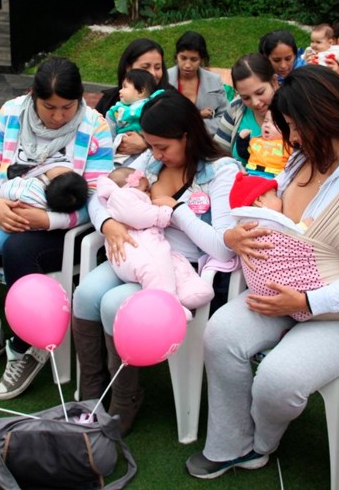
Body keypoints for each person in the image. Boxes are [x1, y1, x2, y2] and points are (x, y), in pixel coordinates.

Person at [185, 66, 339, 480]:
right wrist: (237, 236)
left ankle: (261, 443)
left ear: (324, 116)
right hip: (280, 291)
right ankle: (230, 443)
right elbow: (282, 223)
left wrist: (307, 301)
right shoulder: (303, 159)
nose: (294, 138)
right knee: (221, 333)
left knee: (278, 379)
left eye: (295, 126)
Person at [72, 91, 241, 435]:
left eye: (163, 146)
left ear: (188, 136)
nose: (156, 154)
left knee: (113, 304)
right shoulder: (151, 162)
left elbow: (222, 248)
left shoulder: (221, 172)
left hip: (177, 268)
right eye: (151, 146)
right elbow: (99, 194)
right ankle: (91, 393)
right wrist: (108, 223)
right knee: (85, 293)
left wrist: (175, 211)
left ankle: (124, 398)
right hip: (135, 252)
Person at [0, 57, 113, 400]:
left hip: (60, 229)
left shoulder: (95, 127)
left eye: (67, 107)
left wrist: (48, 220)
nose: (58, 116)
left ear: (80, 98)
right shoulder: (11, 112)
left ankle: (24, 348)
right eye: (49, 107)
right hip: (6, 212)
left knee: (18, 250)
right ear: (32, 96)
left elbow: (96, 196)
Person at [95, 167, 215, 320]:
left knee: (171, 261)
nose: (149, 194)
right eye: (146, 189)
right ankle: (168, 307)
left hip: (150, 246)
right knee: (157, 269)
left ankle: (190, 290)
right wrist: (164, 214)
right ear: (130, 186)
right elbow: (137, 215)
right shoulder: (121, 195)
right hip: (137, 252)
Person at [94, 38, 171, 159]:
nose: (152, 73)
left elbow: (184, 138)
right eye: (145, 67)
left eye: (157, 67)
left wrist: (147, 144)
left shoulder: (170, 98)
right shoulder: (110, 100)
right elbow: (94, 135)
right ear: (128, 68)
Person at [213, 53, 279, 161]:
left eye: (260, 92)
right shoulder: (236, 108)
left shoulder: (292, 110)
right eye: (246, 97)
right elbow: (218, 153)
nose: (255, 102)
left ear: (274, 82)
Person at [166, 31, 228, 136]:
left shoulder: (214, 81)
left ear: (201, 60)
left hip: (206, 141)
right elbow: (159, 116)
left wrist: (194, 128)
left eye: (194, 59)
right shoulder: (165, 79)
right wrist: (197, 117)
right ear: (176, 57)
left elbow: (226, 117)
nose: (187, 65)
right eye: (183, 58)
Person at [105, 68, 160, 166]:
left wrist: (146, 143)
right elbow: (107, 137)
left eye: (125, 87)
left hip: (149, 155)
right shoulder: (116, 111)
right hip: (122, 155)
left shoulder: (154, 107)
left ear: (140, 91)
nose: (120, 91)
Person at [235, 110, 290, 178]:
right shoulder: (256, 141)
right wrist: (242, 140)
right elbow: (244, 154)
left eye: (274, 123)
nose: (267, 125)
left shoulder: (288, 145)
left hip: (274, 176)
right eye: (265, 121)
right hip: (252, 173)